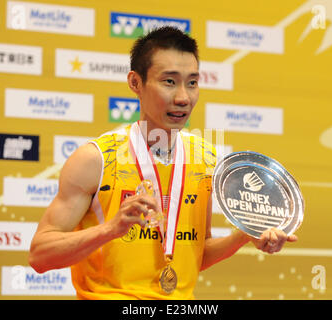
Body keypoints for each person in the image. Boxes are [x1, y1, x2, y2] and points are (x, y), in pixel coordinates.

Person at [28, 26, 297, 300]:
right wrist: (110, 229)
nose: (183, 97)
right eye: (169, 81)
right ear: (135, 83)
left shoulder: (203, 161)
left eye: (192, 83)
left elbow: (196, 254)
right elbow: (40, 256)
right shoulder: (96, 159)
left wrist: (244, 235)